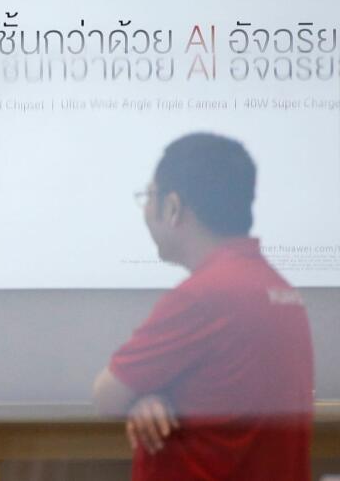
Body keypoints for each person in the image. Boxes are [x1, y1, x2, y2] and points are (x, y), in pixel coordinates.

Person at [92, 133, 314, 480]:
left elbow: (107, 395)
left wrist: (136, 397)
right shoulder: (280, 290)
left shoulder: (203, 297)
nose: (146, 210)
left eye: (149, 197)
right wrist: (146, 397)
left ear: (173, 207)